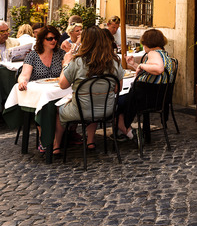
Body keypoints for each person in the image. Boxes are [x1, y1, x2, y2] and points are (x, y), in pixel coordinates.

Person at [53, 26, 124, 154]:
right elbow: (118, 89)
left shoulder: (78, 61)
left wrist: (66, 63)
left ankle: (56, 145)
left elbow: (63, 85)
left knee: (58, 109)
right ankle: (90, 141)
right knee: (93, 101)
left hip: (80, 111)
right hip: (106, 110)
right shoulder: (114, 61)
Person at [115, 29, 174, 141]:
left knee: (114, 104)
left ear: (147, 43)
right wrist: (134, 64)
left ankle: (129, 132)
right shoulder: (164, 54)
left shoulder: (153, 53)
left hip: (145, 98)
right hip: (159, 99)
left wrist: (141, 65)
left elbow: (158, 69)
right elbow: (151, 71)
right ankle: (128, 130)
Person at [17, 26, 66, 91]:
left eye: (55, 38)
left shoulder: (61, 54)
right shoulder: (32, 55)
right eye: (50, 39)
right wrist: (22, 82)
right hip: (38, 91)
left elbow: (67, 73)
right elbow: (24, 75)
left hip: (58, 90)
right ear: (42, 40)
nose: (54, 41)